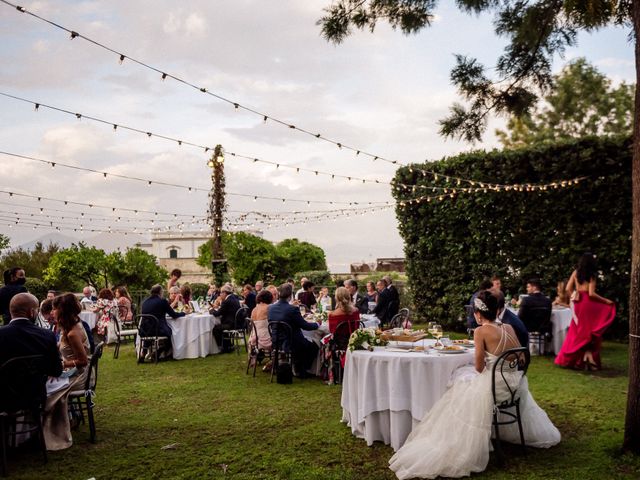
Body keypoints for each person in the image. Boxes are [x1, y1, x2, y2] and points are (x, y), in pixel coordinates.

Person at [388, 290, 561, 479]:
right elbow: (520, 356)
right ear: (496, 311)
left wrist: (489, 362)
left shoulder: (481, 331)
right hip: (514, 385)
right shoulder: (509, 327)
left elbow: (478, 367)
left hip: (496, 388)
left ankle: (455, 439)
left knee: (457, 382)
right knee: (462, 378)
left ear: (478, 314)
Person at [0, 293, 62, 414]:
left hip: (3, 399)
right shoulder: (47, 335)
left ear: (11, 311)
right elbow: (56, 371)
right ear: (32, 312)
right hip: (34, 397)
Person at [44, 293, 90, 450]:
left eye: (54, 309)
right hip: (73, 372)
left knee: (47, 390)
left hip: (79, 376)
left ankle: (55, 430)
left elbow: (83, 361)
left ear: (62, 310)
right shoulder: (71, 327)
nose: (52, 312)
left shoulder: (72, 333)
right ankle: (69, 417)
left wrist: (63, 363)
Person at [555, 253, 616, 370]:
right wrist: (606, 300)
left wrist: (574, 296)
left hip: (578, 304)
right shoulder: (592, 275)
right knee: (590, 331)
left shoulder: (575, 273)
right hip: (588, 304)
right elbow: (591, 294)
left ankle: (582, 358)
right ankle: (588, 358)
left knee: (578, 332)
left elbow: (568, 288)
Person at [268, 283, 320, 376]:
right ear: (290, 295)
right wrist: (317, 324)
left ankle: (296, 365)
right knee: (314, 346)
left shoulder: (271, 308)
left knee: (303, 341)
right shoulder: (292, 309)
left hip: (276, 341)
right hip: (291, 342)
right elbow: (305, 326)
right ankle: (302, 370)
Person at [139, 285, 186, 362]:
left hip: (144, 330)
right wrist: (183, 313)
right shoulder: (162, 301)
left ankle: (143, 354)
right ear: (160, 292)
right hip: (157, 330)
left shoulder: (145, 302)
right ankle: (157, 353)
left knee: (149, 332)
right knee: (171, 334)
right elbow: (174, 315)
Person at [210, 284, 242, 352]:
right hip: (238, 322)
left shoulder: (227, 301)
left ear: (224, 293)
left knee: (216, 329)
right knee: (220, 326)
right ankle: (229, 346)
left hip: (231, 324)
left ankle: (223, 347)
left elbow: (217, 313)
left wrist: (211, 310)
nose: (220, 295)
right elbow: (224, 311)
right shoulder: (234, 298)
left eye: (221, 293)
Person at [248, 289, 272, 354]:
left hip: (254, 338)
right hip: (266, 339)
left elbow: (251, 325)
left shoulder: (254, 309)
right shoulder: (269, 307)